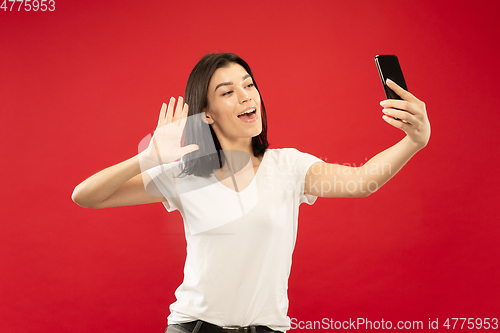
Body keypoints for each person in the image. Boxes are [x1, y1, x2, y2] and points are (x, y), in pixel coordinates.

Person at [72, 52, 430, 333]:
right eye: (227, 92)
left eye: (248, 85)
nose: (246, 96)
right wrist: (147, 158)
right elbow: (86, 196)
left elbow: (363, 181)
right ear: (207, 114)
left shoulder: (288, 167)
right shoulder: (187, 173)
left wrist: (415, 140)